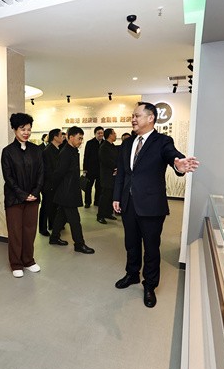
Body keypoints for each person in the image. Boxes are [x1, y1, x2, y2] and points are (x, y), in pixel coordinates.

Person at [113, 102, 199, 308]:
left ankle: (150, 285)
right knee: (131, 243)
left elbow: (173, 155)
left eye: (137, 116)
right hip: (128, 203)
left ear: (151, 118)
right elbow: (122, 173)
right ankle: (132, 274)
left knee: (151, 248)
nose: (133, 119)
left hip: (151, 205)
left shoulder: (162, 141)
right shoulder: (127, 143)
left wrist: (179, 164)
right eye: (132, 116)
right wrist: (116, 197)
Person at [1, 113, 43, 278]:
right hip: (14, 199)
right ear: (14, 129)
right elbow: (8, 178)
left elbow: (41, 173)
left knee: (30, 231)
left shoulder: (36, 150)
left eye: (29, 129)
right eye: (22, 129)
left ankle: (28, 260)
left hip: (33, 198)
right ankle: (16, 263)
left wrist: (35, 192)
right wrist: (23, 195)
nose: (26, 132)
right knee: (15, 232)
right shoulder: (8, 152)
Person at [49, 126, 95, 254]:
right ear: (70, 137)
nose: (81, 141)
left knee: (61, 216)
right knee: (75, 220)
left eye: (82, 138)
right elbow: (59, 173)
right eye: (79, 138)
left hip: (69, 190)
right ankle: (79, 244)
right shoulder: (66, 153)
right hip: (67, 192)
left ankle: (54, 238)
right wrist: (55, 187)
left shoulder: (72, 151)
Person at [39, 128, 62, 236]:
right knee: (46, 207)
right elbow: (48, 170)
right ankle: (42, 228)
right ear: (55, 137)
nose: (62, 138)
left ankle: (52, 224)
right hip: (48, 184)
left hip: (55, 184)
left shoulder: (57, 149)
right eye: (60, 135)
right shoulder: (48, 151)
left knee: (53, 206)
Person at [97, 128, 118, 224]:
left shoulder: (112, 146)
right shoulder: (104, 146)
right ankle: (100, 215)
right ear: (109, 135)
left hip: (113, 174)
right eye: (114, 133)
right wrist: (115, 167)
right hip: (107, 175)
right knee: (105, 196)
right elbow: (105, 160)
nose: (115, 135)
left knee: (110, 196)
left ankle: (108, 213)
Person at [82, 126, 104, 208]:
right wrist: (85, 168)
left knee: (99, 187)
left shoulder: (104, 143)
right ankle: (87, 202)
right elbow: (86, 156)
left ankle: (97, 201)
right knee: (88, 187)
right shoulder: (90, 143)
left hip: (101, 170)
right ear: (95, 134)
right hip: (90, 169)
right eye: (98, 133)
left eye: (102, 133)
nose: (100, 134)